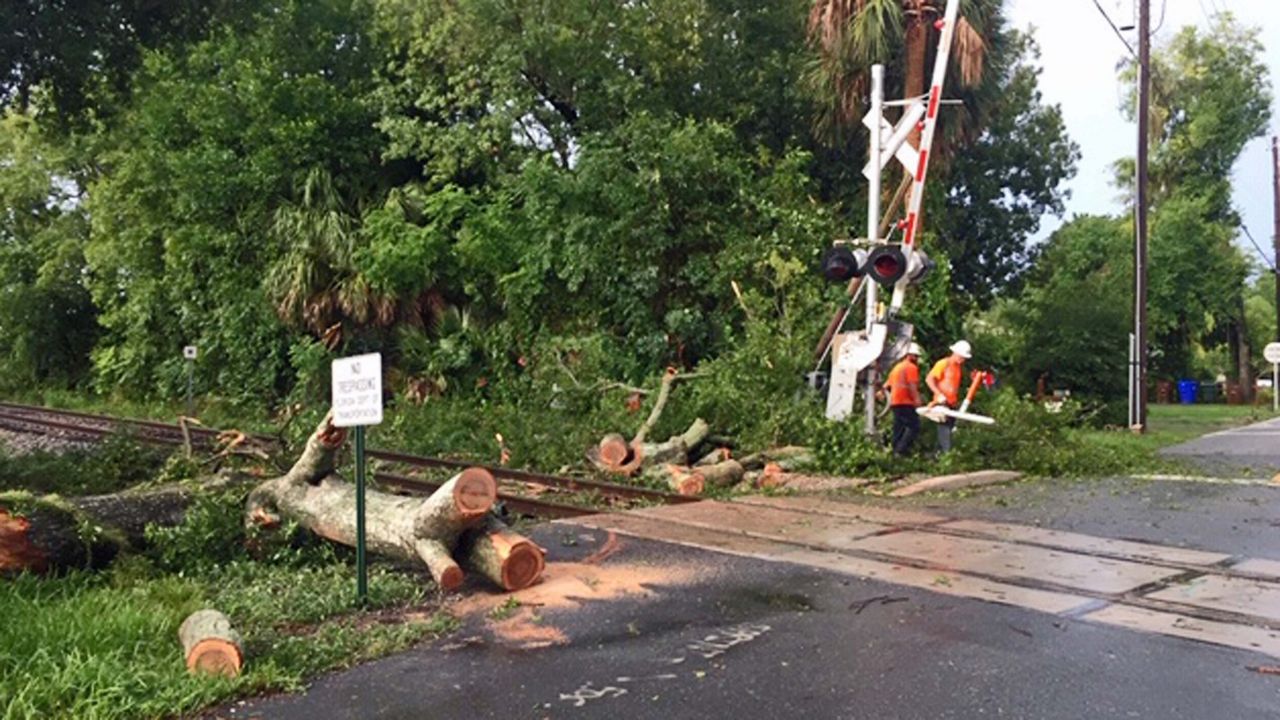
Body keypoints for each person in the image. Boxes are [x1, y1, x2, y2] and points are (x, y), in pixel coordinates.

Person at [925, 340, 971, 454]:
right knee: (944, 430)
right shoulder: (943, 363)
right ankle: (947, 454)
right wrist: (939, 394)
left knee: (947, 430)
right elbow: (929, 379)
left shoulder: (958, 368)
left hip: (951, 404)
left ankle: (936, 456)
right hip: (941, 403)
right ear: (955, 353)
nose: (963, 360)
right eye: (961, 356)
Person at [883, 343, 924, 456]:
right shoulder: (911, 368)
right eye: (915, 356)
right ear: (909, 355)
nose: (916, 358)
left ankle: (895, 451)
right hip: (906, 401)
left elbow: (887, 385)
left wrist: (880, 394)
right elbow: (912, 385)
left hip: (895, 401)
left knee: (899, 427)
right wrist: (917, 399)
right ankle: (901, 451)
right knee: (914, 426)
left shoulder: (897, 367)